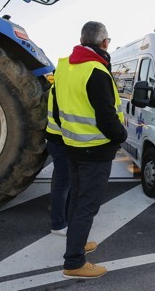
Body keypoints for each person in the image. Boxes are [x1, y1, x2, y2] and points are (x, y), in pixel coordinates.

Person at [53, 21, 127, 279]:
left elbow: (55, 108)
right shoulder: (96, 71)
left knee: (77, 198)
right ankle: (74, 262)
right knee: (87, 204)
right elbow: (107, 119)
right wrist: (122, 136)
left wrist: (67, 134)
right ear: (104, 42)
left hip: (72, 145)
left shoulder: (65, 66)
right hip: (95, 150)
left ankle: (77, 241)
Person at [45, 74, 70, 237]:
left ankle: (61, 215)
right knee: (63, 183)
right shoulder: (64, 86)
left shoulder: (57, 84)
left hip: (55, 138)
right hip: (61, 140)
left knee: (62, 181)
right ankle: (58, 224)